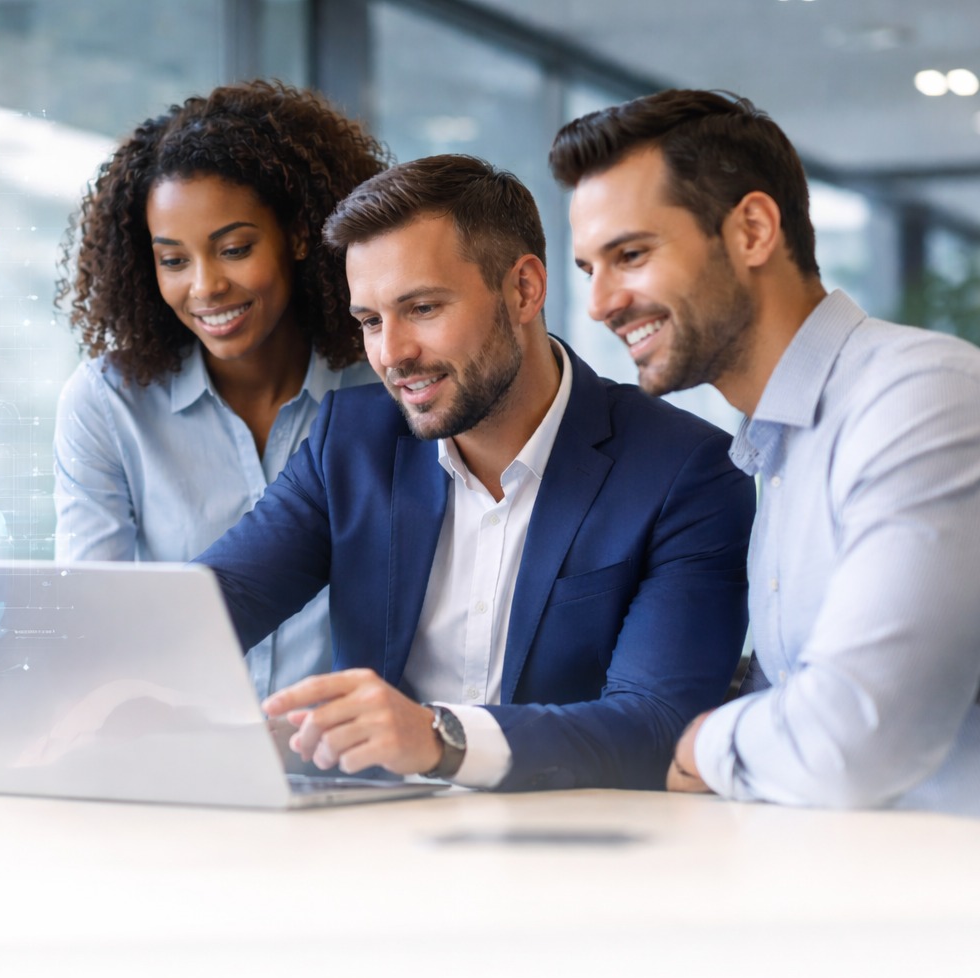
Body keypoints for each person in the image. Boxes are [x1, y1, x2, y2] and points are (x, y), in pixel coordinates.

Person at [196, 155, 756, 791]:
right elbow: (218, 599)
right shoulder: (349, 442)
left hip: (571, 851)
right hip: (365, 846)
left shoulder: (688, 472)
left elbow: (658, 725)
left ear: (523, 289)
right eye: (371, 322)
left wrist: (439, 738)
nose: (391, 354)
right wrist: (110, 685)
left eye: (423, 308)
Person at [554, 89, 980, 811]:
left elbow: (852, 739)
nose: (600, 305)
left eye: (630, 254)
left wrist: (702, 741)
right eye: (589, 269)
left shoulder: (918, 397)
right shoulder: (773, 447)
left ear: (752, 230)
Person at [53, 81, 386, 700]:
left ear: (299, 234)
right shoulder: (109, 403)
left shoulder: (385, 390)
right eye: (173, 260)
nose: (205, 287)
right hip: (174, 754)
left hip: (354, 764)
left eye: (234, 249)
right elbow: (91, 616)